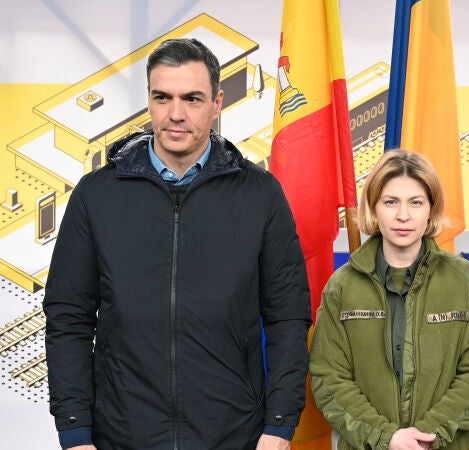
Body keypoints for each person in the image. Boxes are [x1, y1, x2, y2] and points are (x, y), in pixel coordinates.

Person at [43, 38, 311, 450]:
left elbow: (288, 317)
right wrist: (75, 431)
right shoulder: (96, 195)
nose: (176, 114)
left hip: (233, 435)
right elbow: (68, 318)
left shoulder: (260, 194)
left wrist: (279, 425)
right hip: (121, 435)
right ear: (149, 100)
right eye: (162, 97)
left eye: (192, 98)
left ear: (217, 103)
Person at [309, 150, 469, 450]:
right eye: (390, 202)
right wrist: (386, 438)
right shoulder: (342, 287)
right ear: (373, 208)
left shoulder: (463, 280)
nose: (403, 215)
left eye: (416, 202)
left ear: (431, 209)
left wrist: (426, 435)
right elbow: (329, 379)